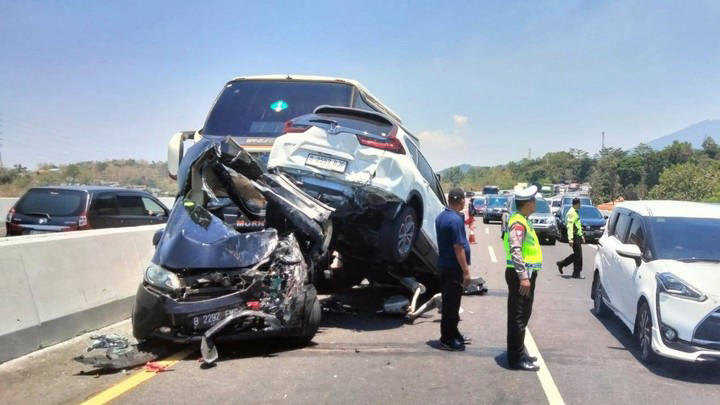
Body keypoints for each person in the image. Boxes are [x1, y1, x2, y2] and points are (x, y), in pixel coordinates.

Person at [503, 186, 542, 371]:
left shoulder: (524, 220)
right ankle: (516, 359)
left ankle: (519, 351)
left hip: (525, 274)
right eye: (533, 201)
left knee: (523, 316)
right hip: (520, 276)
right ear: (527, 204)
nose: (535, 203)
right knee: (518, 318)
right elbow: (515, 249)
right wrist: (523, 277)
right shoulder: (518, 223)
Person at [435, 187, 472, 351]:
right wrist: (466, 272)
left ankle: (454, 333)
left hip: (445, 266)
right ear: (462, 200)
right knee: (451, 306)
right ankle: (446, 339)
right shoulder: (455, 220)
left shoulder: (442, 216)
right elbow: (459, 248)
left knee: (452, 304)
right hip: (453, 269)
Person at [557, 197, 585, 279]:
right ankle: (576, 273)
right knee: (578, 256)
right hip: (574, 236)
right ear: (577, 204)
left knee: (577, 255)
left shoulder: (575, 212)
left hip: (577, 236)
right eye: (580, 204)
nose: (580, 205)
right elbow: (569, 226)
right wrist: (570, 239)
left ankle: (562, 264)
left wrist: (582, 236)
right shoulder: (571, 213)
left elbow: (578, 225)